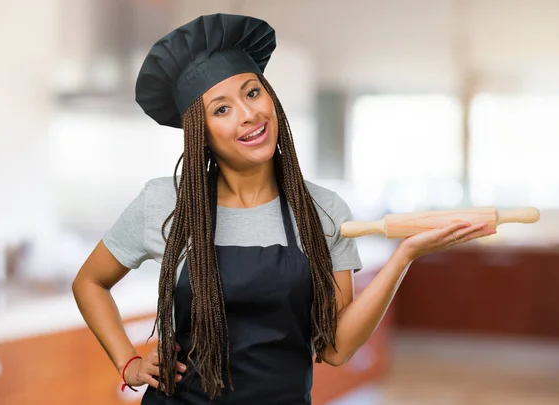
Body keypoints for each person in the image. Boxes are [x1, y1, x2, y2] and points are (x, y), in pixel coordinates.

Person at [72, 13, 494, 405]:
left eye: (252, 92)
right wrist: (128, 362)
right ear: (201, 133)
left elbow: (335, 348)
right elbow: (90, 282)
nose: (249, 114)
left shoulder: (323, 212)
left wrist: (404, 256)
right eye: (222, 108)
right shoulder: (166, 202)